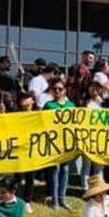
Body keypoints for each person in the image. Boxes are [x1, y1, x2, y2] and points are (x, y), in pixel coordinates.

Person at [42, 81, 75, 209]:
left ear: (64, 90)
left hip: (67, 142)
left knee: (65, 170)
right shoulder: (48, 105)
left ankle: (63, 197)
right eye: (54, 89)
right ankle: (55, 199)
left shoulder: (71, 105)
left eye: (60, 89)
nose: (57, 91)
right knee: (55, 170)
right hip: (53, 141)